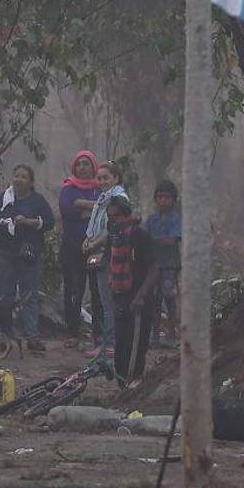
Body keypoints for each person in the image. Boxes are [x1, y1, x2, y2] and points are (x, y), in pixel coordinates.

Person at [0, 163, 54, 355]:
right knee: (5, 295)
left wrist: (31, 222)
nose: (19, 179)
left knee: (29, 295)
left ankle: (32, 337)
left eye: (24, 177)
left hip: (29, 255)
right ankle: (3, 336)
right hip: (5, 253)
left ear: (31, 182)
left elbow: (49, 222)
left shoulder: (38, 201)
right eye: (16, 176)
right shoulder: (3, 199)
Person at [103, 195, 159, 386]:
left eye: (116, 216)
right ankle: (121, 387)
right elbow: (110, 267)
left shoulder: (139, 235)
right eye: (109, 216)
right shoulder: (115, 238)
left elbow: (153, 269)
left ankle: (134, 386)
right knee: (120, 347)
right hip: (121, 298)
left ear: (126, 215)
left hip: (139, 299)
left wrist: (140, 296)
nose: (113, 220)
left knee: (136, 346)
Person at [81, 160, 127, 358]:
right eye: (99, 178)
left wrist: (94, 243)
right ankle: (109, 341)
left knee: (109, 301)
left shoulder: (118, 199)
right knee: (103, 300)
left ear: (116, 178)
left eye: (106, 178)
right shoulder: (102, 198)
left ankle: (111, 343)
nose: (101, 181)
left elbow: (113, 228)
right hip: (100, 252)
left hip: (112, 254)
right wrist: (87, 240)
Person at [58, 150, 102, 347]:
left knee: (97, 290)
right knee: (74, 289)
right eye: (79, 164)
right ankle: (72, 332)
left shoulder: (101, 188)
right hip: (72, 248)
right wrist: (94, 208)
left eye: (86, 164)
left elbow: (106, 210)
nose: (83, 167)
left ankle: (99, 333)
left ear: (94, 167)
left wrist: (83, 205)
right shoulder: (68, 188)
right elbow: (67, 211)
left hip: (96, 248)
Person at [145, 180, 182, 349]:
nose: (163, 201)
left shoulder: (176, 219)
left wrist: (153, 240)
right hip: (153, 267)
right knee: (155, 301)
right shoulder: (152, 220)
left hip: (169, 266)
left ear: (174, 200)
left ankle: (173, 335)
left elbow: (172, 240)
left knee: (170, 300)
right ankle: (155, 338)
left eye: (167, 197)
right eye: (160, 197)